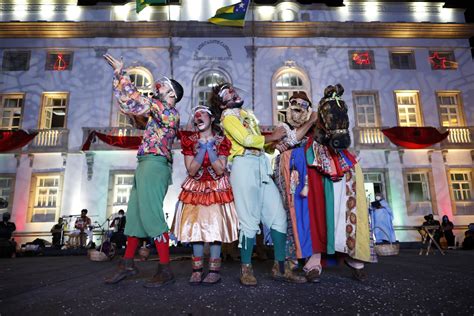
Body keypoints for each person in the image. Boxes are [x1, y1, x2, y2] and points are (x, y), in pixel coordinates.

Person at [209, 82, 306, 286]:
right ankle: (246, 269)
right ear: (221, 103)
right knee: (249, 220)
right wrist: (272, 137)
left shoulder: (247, 115)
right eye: (228, 93)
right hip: (243, 166)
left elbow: (261, 144)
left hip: (261, 164)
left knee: (278, 216)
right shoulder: (227, 118)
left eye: (233, 89)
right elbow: (246, 139)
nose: (234, 93)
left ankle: (280, 267)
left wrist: (273, 144)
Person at [103, 54, 183, 287]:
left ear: (172, 95)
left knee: (151, 215)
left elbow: (134, 101)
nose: (159, 85)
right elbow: (133, 110)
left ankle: (165, 269)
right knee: (135, 218)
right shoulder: (157, 112)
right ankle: (128, 264)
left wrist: (121, 73)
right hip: (145, 162)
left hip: (155, 164)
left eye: (164, 85)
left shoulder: (168, 111)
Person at [172, 105, 238, 285]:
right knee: (196, 229)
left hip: (217, 188)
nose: (197, 117)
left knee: (215, 229)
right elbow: (192, 170)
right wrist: (202, 150)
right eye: (195, 115)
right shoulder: (189, 140)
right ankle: (197, 270)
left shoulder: (222, 141)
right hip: (195, 188)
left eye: (202, 115)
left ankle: (214, 271)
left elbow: (220, 169)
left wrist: (210, 148)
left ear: (212, 119)